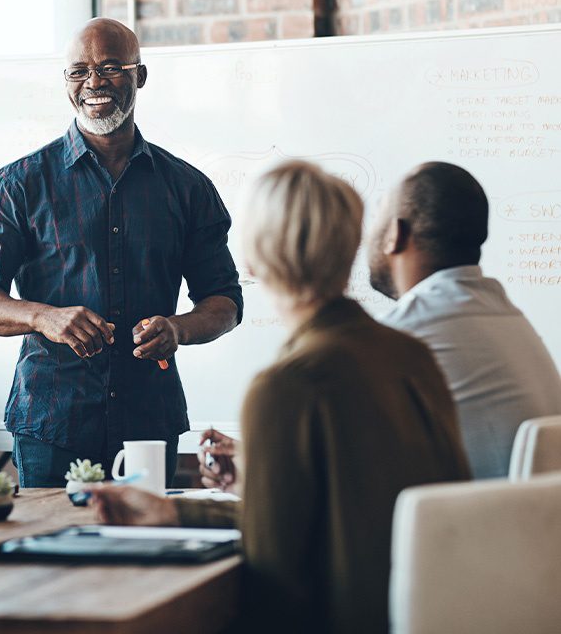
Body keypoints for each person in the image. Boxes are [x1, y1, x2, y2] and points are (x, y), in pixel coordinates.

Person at [91, 160, 470, 634]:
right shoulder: (412, 355)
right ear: (351, 246)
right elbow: (340, 506)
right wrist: (175, 511)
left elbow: (274, 574)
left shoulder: (287, 387)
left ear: (251, 260)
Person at [0, 18, 243, 488]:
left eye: (110, 68)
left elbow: (225, 301)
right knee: (50, 559)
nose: (94, 83)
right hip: (52, 424)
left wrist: (179, 329)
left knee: (146, 556)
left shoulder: (187, 188)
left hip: (149, 422)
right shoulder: (20, 184)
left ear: (139, 76)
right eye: (78, 71)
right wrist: (42, 317)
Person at [368, 161, 561, 478]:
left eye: (377, 216)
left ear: (394, 234)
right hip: (534, 524)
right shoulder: (511, 321)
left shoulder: (398, 336)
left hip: (466, 525)